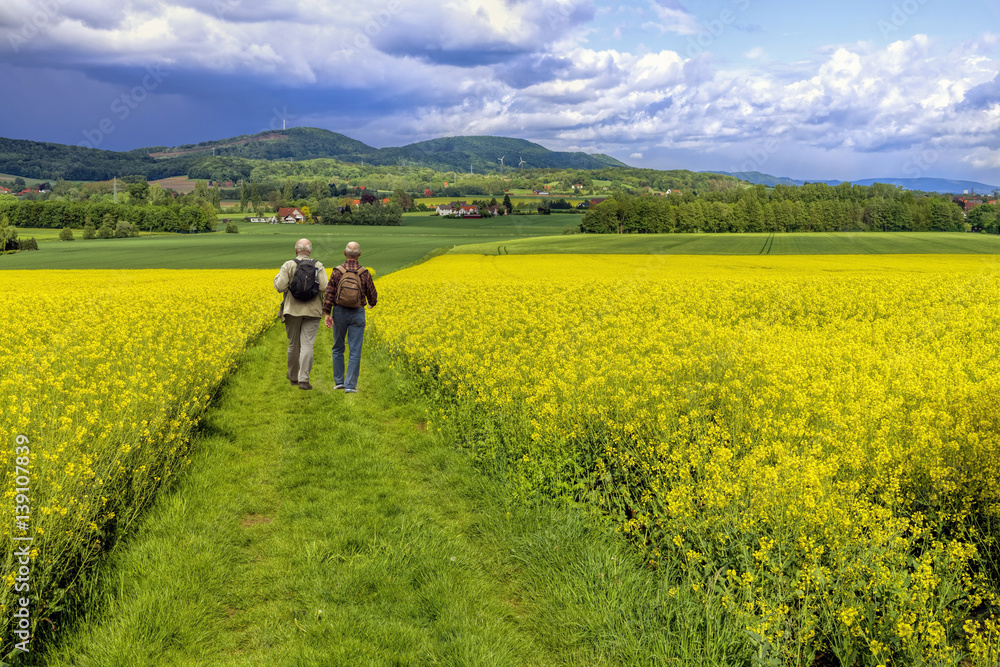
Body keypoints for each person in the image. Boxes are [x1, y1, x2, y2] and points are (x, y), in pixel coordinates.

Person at [324, 241, 378, 393]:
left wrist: (327, 313)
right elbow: (372, 293)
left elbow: (329, 293)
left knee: (338, 347)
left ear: (344, 253)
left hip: (339, 311)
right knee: (355, 350)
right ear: (359, 253)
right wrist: (372, 303)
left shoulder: (337, 271)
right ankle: (350, 386)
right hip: (357, 312)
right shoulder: (364, 272)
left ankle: (339, 382)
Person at [274, 238, 328, 390]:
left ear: (295, 250)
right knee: (307, 344)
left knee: (293, 344)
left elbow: (280, 287)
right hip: (313, 310)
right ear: (310, 251)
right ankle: (304, 379)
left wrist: (276, 279)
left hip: (292, 310)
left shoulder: (288, 265)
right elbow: (324, 287)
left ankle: (293, 376)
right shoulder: (318, 265)